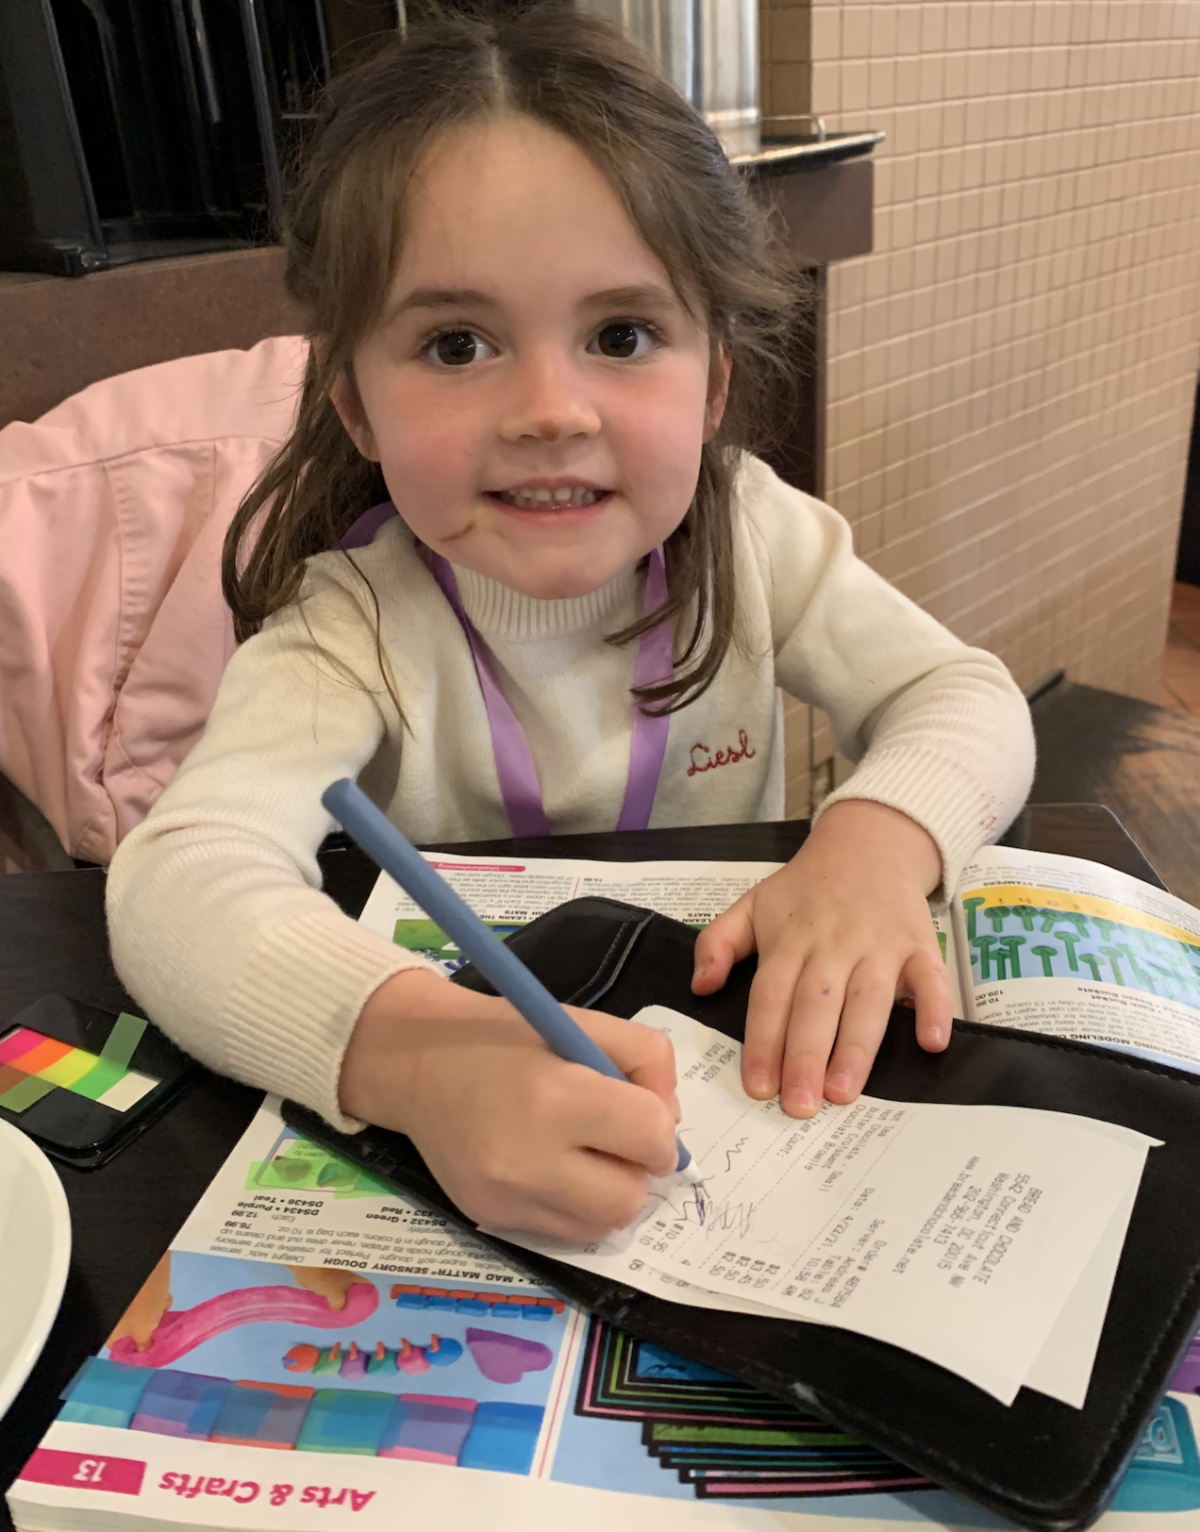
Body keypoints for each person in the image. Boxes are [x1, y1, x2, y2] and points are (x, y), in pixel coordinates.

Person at [107, 8, 1034, 1246]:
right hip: (493, 1131)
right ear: (358, 407)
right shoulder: (352, 628)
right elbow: (176, 881)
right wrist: (416, 1059)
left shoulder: (756, 538)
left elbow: (963, 695)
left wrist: (872, 847)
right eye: (456, 344)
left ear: (713, 380)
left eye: (620, 336)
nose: (551, 409)